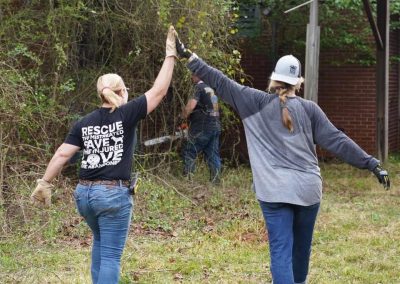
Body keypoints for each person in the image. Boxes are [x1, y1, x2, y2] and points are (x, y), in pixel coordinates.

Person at [174, 36, 390, 284]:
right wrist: (371, 163)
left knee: (280, 251)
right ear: (299, 82)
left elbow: (220, 81)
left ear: (273, 79)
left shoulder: (252, 101)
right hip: (308, 191)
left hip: (274, 192)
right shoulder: (310, 110)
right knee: (301, 250)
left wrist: (188, 56)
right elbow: (338, 141)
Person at [30, 26, 178, 284]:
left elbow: (63, 153)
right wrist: (170, 55)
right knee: (111, 255)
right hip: (112, 196)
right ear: (122, 92)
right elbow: (159, 91)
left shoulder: (84, 122)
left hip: (84, 196)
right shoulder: (128, 113)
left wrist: (45, 182)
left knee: (100, 242)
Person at [181, 73, 222, 184]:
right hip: (215, 124)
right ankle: (216, 182)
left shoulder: (198, 87)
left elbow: (191, 106)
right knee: (213, 155)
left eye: (193, 74)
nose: (191, 77)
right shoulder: (210, 89)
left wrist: (182, 116)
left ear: (198, 75)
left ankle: (188, 180)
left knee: (189, 151)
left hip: (202, 126)